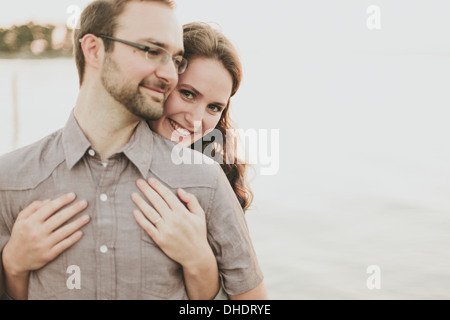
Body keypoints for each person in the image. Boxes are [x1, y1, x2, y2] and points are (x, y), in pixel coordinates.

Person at [0, 0, 264, 300]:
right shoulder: (15, 178)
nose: (195, 120)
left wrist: (199, 264)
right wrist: (13, 265)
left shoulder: (208, 180)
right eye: (187, 93)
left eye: (215, 107)